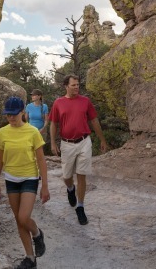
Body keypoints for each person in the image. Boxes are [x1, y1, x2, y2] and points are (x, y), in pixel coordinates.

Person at [0, 96, 49, 269]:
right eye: (8, 114)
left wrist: (45, 186)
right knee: (18, 220)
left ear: (23, 112)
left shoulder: (32, 132)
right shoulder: (2, 133)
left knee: (24, 217)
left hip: (29, 178)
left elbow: (41, 160)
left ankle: (38, 234)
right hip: (11, 179)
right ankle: (30, 258)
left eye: (14, 114)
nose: (11, 117)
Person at [49, 74, 108, 225]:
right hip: (67, 144)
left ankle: (80, 207)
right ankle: (70, 189)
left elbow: (94, 120)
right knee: (67, 176)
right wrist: (53, 143)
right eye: (73, 85)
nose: (77, 87)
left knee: (82, 175)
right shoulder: (58, 103)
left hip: (84, 142)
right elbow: (54, 124)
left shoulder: (85, 101)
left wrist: (102, 139)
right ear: (66, 86)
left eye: (78, 84)